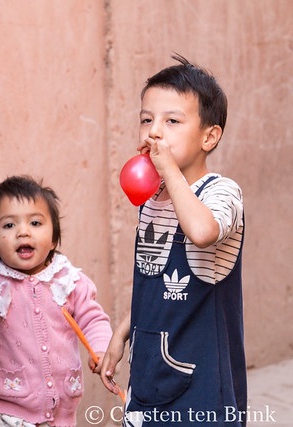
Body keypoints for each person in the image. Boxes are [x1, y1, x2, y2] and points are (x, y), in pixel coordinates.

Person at [100, 55, 246, 426]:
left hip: (201, 383)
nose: (154, 132)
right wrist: (121, 335)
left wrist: (167, 169)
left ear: (209, 137)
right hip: (150, 373)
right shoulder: (152, 200)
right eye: (147, 120)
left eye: (172, 121)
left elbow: (202, 232)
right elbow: (152, 281)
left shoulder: (221, 192)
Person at [0, 175, 113, 427]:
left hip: (62, 410)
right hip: (5, 410)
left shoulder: (68, 279)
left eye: (35, 223)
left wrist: (100, 349)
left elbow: (93, 318)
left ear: (54, 238)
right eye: (9, 226)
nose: (23, 231)